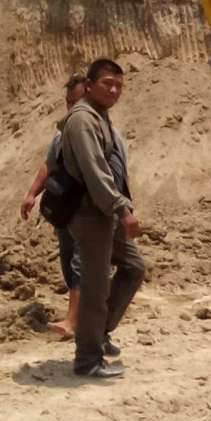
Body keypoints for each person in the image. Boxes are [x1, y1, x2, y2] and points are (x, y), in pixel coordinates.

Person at [62, 58, 145, 379]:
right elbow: (96, 173)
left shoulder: (100, 116)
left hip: (104, 211)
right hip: (91, 212)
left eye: (119, 86)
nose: (113, 90)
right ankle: (87, 360)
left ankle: (98, 333)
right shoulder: (83, 120)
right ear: (89, 85)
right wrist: (122, 209)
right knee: (96, 288)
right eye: (107, 83)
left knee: (134, 267)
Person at [21, 74, 87, 339]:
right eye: (69, 102)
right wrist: (31, 194)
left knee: (81, 262)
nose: (71, 108)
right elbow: (49, 164)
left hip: (87, 209)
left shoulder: (97, 132)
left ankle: (74, 321)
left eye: (77, 102)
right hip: (65, 209)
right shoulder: (62, 134)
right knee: (69, 260)